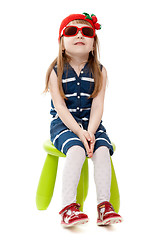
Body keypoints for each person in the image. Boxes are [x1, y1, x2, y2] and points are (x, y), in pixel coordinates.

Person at [44, 12, 122, 227]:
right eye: (71, 31)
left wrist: (90, 131)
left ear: (93, 44)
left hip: (93, 123)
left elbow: (98, 106)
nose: (79, 35)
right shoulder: (55, 71)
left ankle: (104, 206)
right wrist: (80, 133)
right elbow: (60, 107)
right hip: (64, 124)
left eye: (87, 32)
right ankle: (68, 208)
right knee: (77, 150)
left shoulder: (100, 71)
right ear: (62, 43)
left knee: (103, 150)